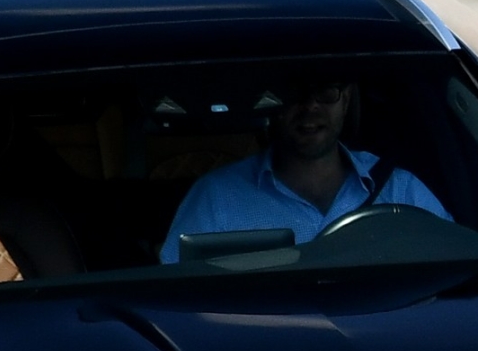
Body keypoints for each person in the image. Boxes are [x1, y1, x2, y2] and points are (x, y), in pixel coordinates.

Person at [160, 80, 449, 261]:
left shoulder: (401, 189)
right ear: (272, 103)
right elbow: (176, 303)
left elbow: (454, 275)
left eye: (325, 91)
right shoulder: (216, 199)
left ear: (346, 100)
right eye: (295, 91)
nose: (310, 106)